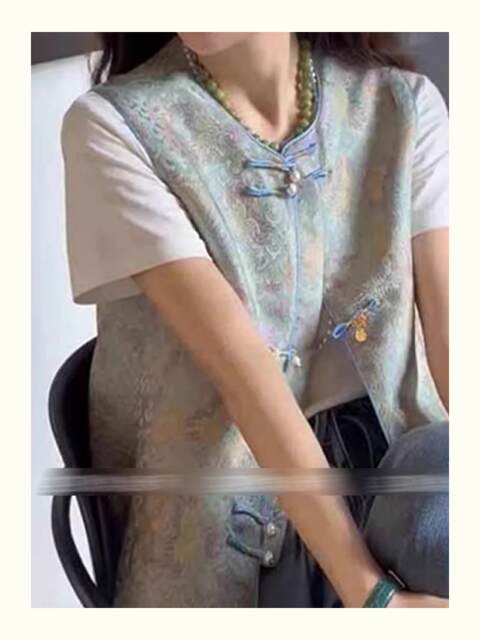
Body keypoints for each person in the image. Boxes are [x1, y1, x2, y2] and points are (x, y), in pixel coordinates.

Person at [61, 32, 449, 608]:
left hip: (404, 480)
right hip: (242, 537)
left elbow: (453, 345)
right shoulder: (117, 126)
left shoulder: (403, 104)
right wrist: (375, 598)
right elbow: (244, 377)